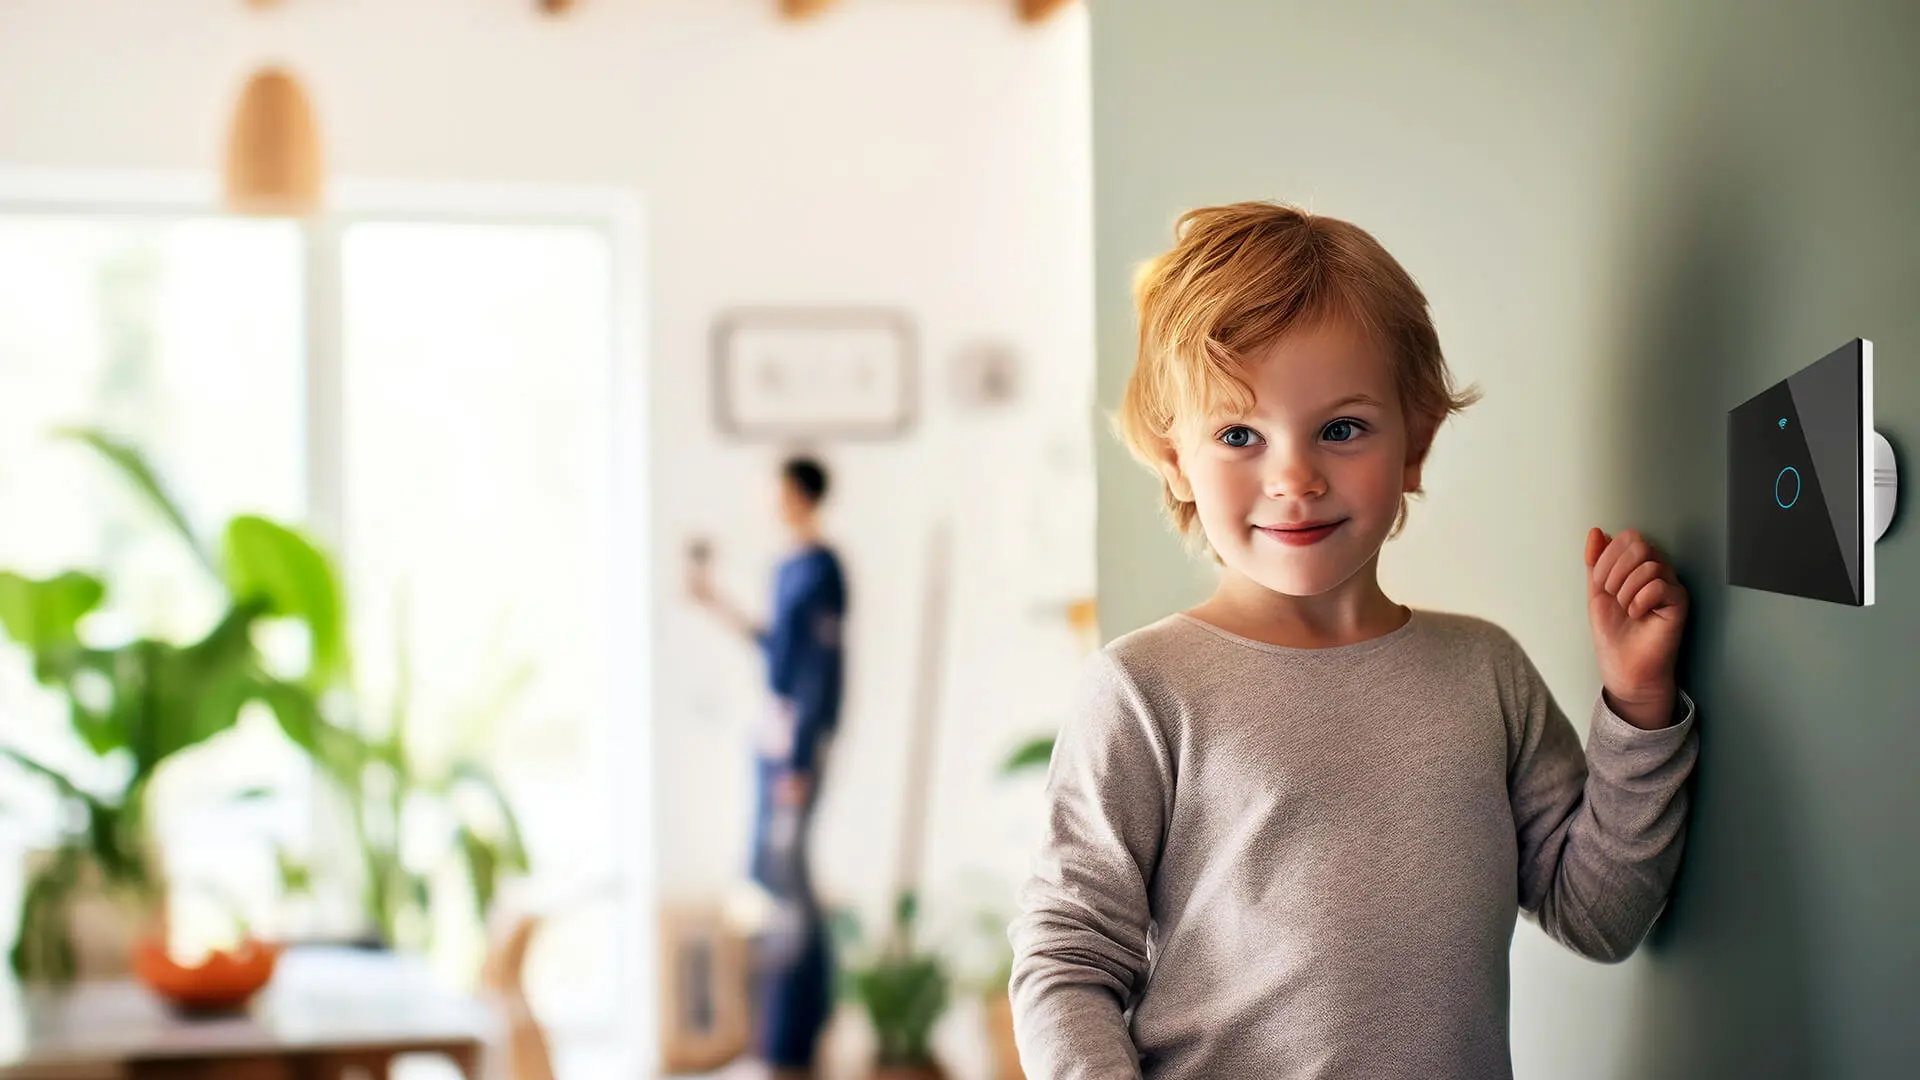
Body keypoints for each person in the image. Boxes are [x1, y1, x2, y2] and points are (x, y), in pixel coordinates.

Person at [1009, 203, 1700, 1080]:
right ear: (1174, 458)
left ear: (1416, 442)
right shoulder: (1144, 689)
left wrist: (1638, 703)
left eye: (1341, 429)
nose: (1294, 475)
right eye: (1238, 435)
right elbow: (1066, 959)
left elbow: (1599, 914)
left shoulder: (1486, 674)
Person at [688, 456, 848, 1080]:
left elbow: (818, 669)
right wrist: (714, 603)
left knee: (788, 882)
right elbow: (779, 650)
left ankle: (794, 1039)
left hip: (794, 747)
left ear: (802, 495)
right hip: (775, 738)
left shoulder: (822, 570)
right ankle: (779, 1039)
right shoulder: (787, 567)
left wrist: (802, 753)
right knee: (775, 876)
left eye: (780, 491)